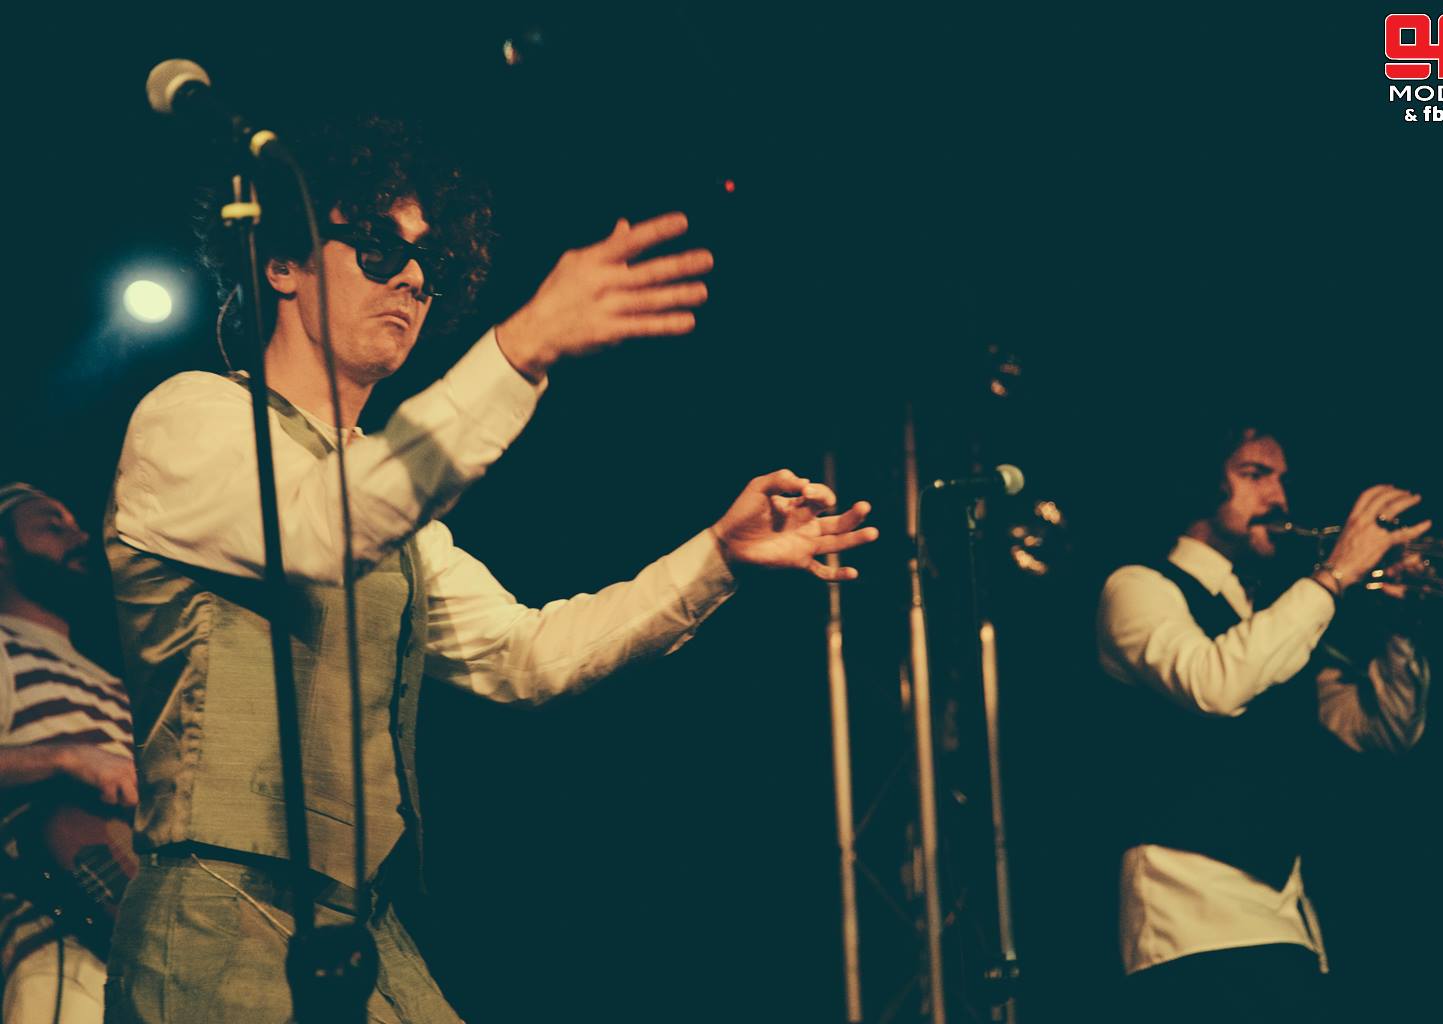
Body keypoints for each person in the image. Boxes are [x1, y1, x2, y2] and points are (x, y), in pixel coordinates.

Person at [102, 117, 878, 1023]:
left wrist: (715, 556)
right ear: (282, 263)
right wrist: (521, 347)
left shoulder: (394, 508)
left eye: (431, 267)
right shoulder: (191, 418)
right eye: (379, 247)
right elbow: (320, 528)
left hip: (360, 923)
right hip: (218, 912)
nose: (411, 280)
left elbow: (525, 655)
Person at [1096, 425, 1433, 1022]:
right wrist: (1335, 574)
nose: (1279, 498)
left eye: (1282, 479)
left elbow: (1379, 730)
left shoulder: (1274, 614)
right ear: (1202, 481)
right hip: (1189, 914)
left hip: (1288, 915)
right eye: (1255, 475)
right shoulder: (1138, 586)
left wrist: (1397, 627)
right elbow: (1213, 682)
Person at [0, 483, 138, 1024]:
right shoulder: (6, 646)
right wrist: (66, 757)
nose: (79, 537)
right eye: (51, 525)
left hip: (139, 957)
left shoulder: (116, 686)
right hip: (53, 951)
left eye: (77, 524)